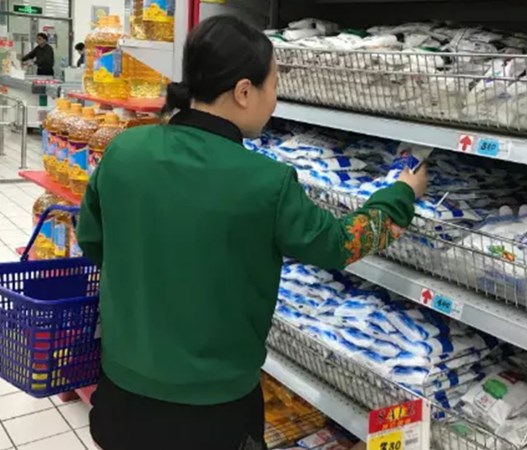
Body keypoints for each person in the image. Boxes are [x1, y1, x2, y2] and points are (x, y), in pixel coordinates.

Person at [77, 15, 428, 450]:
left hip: (122, 400)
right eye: (273, 85)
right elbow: (342, 243)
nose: (275, 100)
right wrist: (402, 193)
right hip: (212, 414)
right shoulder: (266, 183)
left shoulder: (124, 150)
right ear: (244, 92)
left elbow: (93, 242)